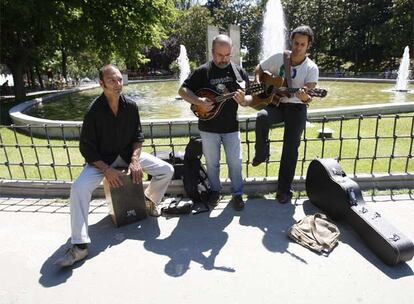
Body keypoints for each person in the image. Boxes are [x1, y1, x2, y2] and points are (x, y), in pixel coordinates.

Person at [55, 64, 174, 267]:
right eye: (112, 80)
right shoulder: (93, 111)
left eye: (120, 79)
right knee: (79, 187)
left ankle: (149, 202)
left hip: (128, 157)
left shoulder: (132, 106)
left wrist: (135, 160)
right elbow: (87, 148)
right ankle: (80, 245)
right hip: (101, 161)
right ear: (101, 84)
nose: (118, 84)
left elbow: (138, 136)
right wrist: (106, 170)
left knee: (166, 170)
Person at [178, 34, 253, 211]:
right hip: (208, 127)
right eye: (219, 55)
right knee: (212, 163)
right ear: (212, 52)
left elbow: (250, 98)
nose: (223, 59)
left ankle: (237, 194)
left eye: (227, 55)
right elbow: (182, 90)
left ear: (232, 52)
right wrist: (198, 101)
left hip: (231, 127)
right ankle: (215, 191)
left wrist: (243, 100)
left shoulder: (238, 72)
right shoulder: (202, 71)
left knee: (235, 162)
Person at [252, 25, 319, 204]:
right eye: (296, 43)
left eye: (302, 44)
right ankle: (261, 152)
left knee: (290, 149)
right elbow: (259, 68)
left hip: (297, 108)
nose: (298, 47)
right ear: (292, 41)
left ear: (308, 45)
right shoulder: (279, 58)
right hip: (278, 103)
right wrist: (260, 84)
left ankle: (284, 190)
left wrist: (305, 97)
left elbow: (309, 96)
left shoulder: (311, 68)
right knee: (262, 117)